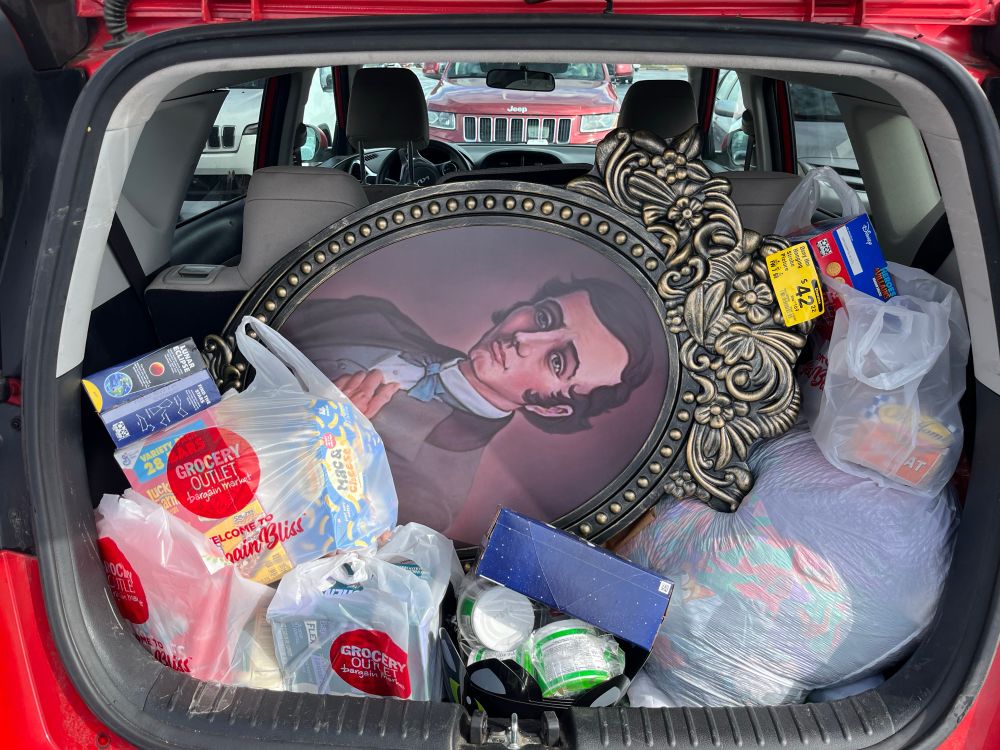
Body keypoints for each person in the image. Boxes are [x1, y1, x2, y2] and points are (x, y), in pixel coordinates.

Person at [282, 277, 654, 533]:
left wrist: (322, 434)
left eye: (557, 361)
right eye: (544, 317)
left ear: (551, 409)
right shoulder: (378, 313)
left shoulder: (433, 496)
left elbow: (295, 533)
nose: (524, 338)